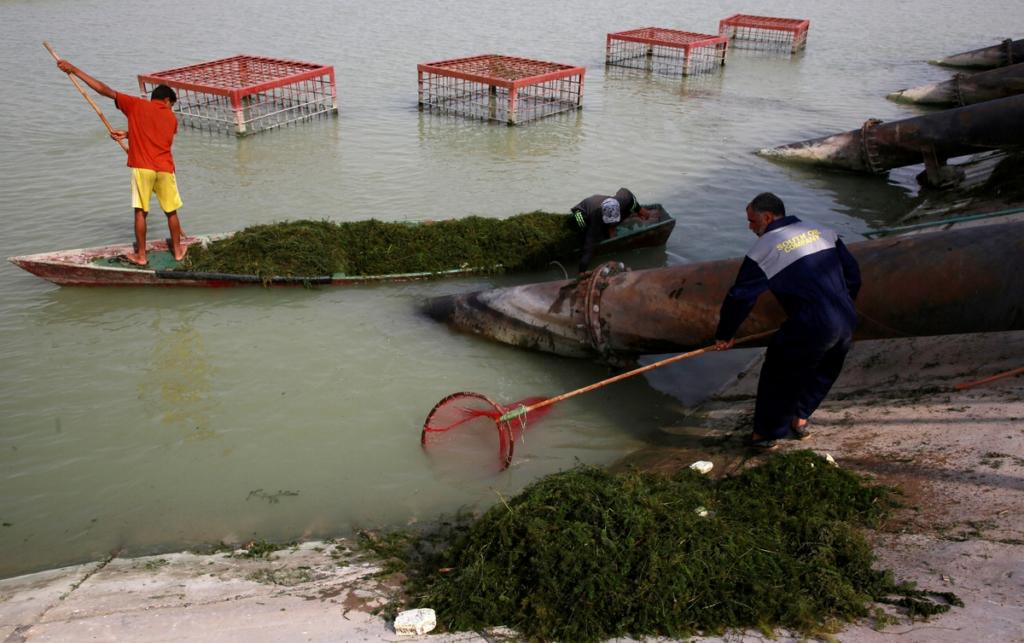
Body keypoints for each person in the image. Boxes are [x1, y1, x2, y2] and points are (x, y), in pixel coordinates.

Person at [713, 192, 861, 449]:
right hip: (846, 317)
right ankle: (800, 419)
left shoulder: (764, 249)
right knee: (826, 369)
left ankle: (766, 435)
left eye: (751, 221)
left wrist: (726, 334)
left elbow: (740, 297)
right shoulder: (821, 230)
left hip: (813, 322)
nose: (750, 228)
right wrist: (844, 307)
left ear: (767, 217)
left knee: (779, 373)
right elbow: (853, 274)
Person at [56, 59, 186, 265]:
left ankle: (141, 256)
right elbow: (157, 137)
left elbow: (103, 89)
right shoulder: (171, 118)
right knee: (171, 212)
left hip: (143, 169)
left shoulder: (136, 104)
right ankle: (178, 250)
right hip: (165, 170)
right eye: (171, 104)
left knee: (140, 212)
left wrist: (74, 69)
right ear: (167, 100)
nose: (171, 107)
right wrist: (128, 134)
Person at [570, 187, 653, 273]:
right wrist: (581, 272)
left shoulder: (623, 199)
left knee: (630, 209)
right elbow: (588, 250)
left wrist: (640, 211)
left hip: (600, 203)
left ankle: (610, 228)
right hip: (580, 212)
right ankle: (601, 230)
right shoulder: (596, 218)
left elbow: (627, 193)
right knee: (586, 233)